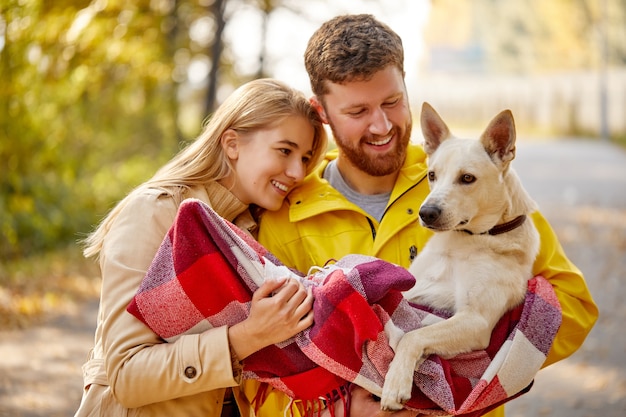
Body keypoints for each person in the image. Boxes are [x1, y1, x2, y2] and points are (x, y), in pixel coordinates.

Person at [257, 14, 599, 417]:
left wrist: (467, 360)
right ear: (323, 113)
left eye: (391, 102)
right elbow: (267, 372)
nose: (381, 125)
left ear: (406, 87)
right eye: (357, 111)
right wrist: (343, 406)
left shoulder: (477, 185)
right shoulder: (287, 217)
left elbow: (575, 306)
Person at [74, 78, 328, 417]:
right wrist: (248, 335)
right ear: (232, 143)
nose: (297, 171)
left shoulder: (253, 232)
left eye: (306, 157)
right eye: (285, 150)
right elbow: (127, 374)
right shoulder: (154, 213)